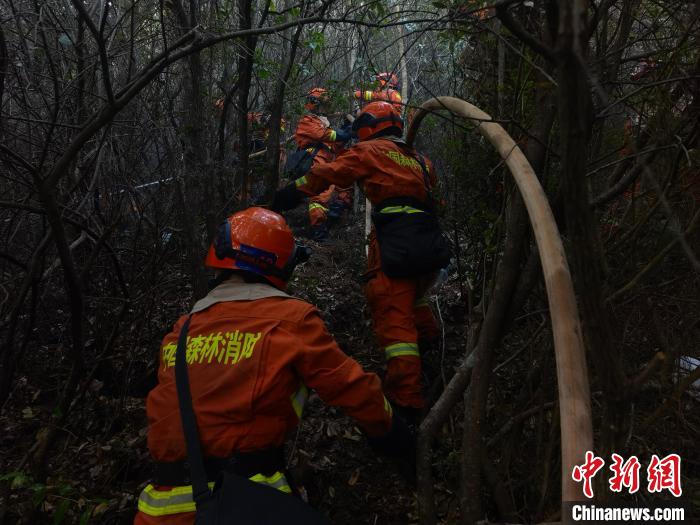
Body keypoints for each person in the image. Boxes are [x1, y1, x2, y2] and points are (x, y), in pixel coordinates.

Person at [134, 207, 411, 524]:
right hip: (247, 502)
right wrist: (396, 435)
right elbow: (352, 388)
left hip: (156, 512)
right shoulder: (291, 320)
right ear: (282, 264)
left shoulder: (181, 330)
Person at [272, 102, 447, 420]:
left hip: (397, 247)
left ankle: (407, 403)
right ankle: (434, 350)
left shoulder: (369, 152)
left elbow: (329, 174)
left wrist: (289, 194)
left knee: (394, 319)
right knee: (416, 298)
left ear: (369, 126)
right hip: (429, 247)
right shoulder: (421, 160)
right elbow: (437, 198)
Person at [291, 87, 353, 240]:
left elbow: (333, 143)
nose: (326, 107)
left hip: (327, 162)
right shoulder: (307, 121)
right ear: (314, 103)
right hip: (314, 162)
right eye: (323, 103)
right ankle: (318, 231)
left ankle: (330, 219)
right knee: (319, 197)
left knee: (342, 189)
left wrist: (347, 129)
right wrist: (343, 133)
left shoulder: (322, 122)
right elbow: (322, 135)